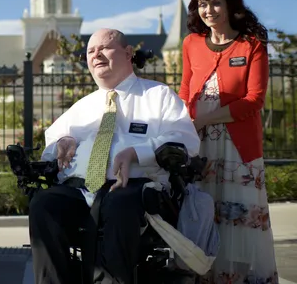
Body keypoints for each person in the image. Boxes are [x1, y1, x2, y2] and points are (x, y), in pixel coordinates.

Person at [28, 28, 201, 284]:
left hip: (133, 188)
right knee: (44, 204)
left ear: (128, 53)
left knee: (119, 204)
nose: (96, 54)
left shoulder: (157, 96)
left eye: (104, 48)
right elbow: (52, 143)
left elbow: (185, 140)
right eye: (90, 51)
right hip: (82, 190)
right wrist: (61, 142)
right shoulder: (82, 106)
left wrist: (136, 153)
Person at [178, 0, 278, 283]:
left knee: (239, 217)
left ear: (231, 6)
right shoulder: (191, 44)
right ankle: (205, 274)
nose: (209, 10)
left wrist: (206, 119)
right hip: (200, 144)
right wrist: (182, 128)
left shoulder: (252, 46)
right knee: (204, 210)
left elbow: (254, 100)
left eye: (216, 2)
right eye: (202, 4)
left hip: (238, 148)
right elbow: (184, 92)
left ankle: (238, 277)